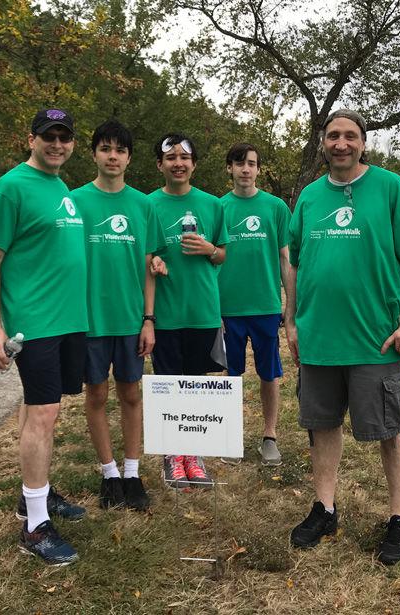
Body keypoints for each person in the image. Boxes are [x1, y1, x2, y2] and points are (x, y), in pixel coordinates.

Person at [285, 109, 400, 565]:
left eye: (350, 136)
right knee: (322, 426)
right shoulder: (310, 197)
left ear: (363, 143)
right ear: (323, 142)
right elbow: (292, 257)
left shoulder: (390, 189)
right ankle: (325, 508)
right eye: (333, 135)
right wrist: (291, 319)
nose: (341, 143)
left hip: (376, 341)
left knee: (390, 430)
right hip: (318, 339)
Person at [0, 108, 89, 565]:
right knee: (43, 415)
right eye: (49, 136)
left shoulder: (60, 187)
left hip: (68, 321)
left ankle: (34, 497)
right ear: (32, 139)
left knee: (42, 409)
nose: (57, 144)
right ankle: (35, 527)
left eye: (64, 137)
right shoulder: (12, 186)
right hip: (35, 324)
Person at [71, 119, 165, 512]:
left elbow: (149, 266)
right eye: (106, 148)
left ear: (129, 157)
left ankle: (132, 472)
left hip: (130, 320)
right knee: (95, 394)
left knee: (130, 393)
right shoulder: (74, 201)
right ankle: (108, 473)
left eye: (120, 150)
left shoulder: (143, 205)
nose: (113, 156)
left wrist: (148, 319)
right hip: (89, 321)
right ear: (93, 153)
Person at [148, 133, 229, 489]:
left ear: (194, 165)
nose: (178, 163)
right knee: (167, 385)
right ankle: (171, 456)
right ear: (160, 165)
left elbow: (223, 254)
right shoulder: (146, 205)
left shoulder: (212, 205)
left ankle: (193, 455)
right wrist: (154, 261)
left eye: (185, 157)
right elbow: (143, 254)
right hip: (165, 313)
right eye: (171, 158)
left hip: (203, 311)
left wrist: (210, 248)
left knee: (196, 385)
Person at [218, 143, 292, 466]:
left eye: (251, 163)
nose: (245, 169)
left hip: (265, 307)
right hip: (227, 309)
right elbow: (211, 261)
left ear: (258, 169)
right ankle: (229, 437)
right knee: (229, 376)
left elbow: (285, 259)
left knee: (269, 374)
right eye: (239, 163)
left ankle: (269, 436)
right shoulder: (217, 208)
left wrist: (290, 307)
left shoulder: (276, 208)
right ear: (229, 169)